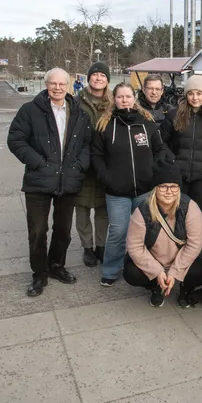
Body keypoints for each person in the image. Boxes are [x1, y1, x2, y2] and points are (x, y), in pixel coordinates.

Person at [7, 68, 92, 297]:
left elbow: (87, 144)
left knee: (63, 229)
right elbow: (15, 139)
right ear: (46, 84)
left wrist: (79, 166)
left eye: (61, 84)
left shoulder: (79, 114)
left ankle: (56, 266)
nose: (57, 87)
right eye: (53, 83)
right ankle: (39, 274)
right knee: (37, 230)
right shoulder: (30, 111)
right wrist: (38, 163)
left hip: (68, 180)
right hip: (39, 181)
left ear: (68, 85)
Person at [91, 82, 165, 287]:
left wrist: (154, 173)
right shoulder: (105, 125)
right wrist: (106, 177)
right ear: (113, 100)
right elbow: (96, 155)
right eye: (120, 97)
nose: (124, 100)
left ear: (134, 98)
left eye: (128, 96)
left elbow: (159, 149)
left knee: (145, 231)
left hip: (144, 190)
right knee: (118, 231)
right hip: (117, 192)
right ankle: (111, 269)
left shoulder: (147, 122)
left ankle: (143, 267)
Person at [124, 164, 202, 308]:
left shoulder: (190, 208)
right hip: (155, 259)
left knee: (199, 272)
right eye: (163, 186)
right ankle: (156, 286)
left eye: (174, 186)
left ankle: (185, 289)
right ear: (155, 188)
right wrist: (157, 271)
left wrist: (174, 272)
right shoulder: (142, 211)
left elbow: (194, 244)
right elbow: (135, 247)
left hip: (181, 259)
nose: (169, 191)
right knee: (131, 273)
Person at [161, 75, 202, 214]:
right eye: (191, 93)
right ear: (186, 95)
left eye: (199, 93)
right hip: (177, 174)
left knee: (198, 214)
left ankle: (200, 237)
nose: (195, 97)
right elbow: (161, 141)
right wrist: (172, 160)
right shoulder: (174, 115)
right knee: (177, 212)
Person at [74, 62, 112, 267]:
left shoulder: (113, 102)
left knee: (102, 209)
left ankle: (101, 246)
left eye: (102, 75)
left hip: (105, 163)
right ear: (88, 78)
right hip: (81, 164)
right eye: (94, 75)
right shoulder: (76, 101)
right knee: (81, 209)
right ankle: (87, 247)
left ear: (107, 80)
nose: (98, 78)